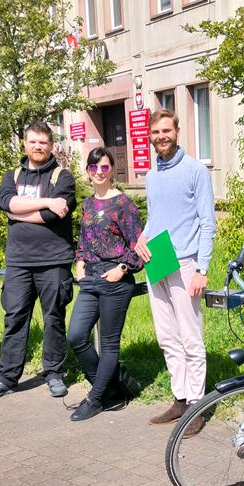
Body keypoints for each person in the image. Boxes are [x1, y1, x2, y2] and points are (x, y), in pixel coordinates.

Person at [0, 122, 77, 401]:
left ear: (51, 146)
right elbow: (4, 202)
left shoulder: (63, 176)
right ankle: (7, 378)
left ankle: (54, 374)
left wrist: (18, 212)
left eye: (43, 143)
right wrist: (46, 202)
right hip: (19, 262)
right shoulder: (12, 175)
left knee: (54, 318)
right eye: (33, 142)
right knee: (15, 318)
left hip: (53, 261)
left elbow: (54, 215)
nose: (38, 147)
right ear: (25, 144)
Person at [133, 109, 216, 432]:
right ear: (150, 136)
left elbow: (208, 223)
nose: (161, 137)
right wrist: (142, 238)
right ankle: (180, 398)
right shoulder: (153, 172)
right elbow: (155, 218)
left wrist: (203, 269)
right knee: (167, 336)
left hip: (185, 261)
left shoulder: (195, 170)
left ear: (177, 132)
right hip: (159, 257)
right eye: (155, 132)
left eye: (166, 131)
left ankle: (197, 406)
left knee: (190, 336)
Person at [66, 148, 144, 421]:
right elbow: (84, 241)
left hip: (115, 279)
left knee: (109, 344)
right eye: (94, 167)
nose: (99, 172)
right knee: (75, 335)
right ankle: (113, 386)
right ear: (88, 171)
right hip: (90, 278)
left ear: (112, 170)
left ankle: (96, 398)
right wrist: (79, 261)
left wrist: (121, 269)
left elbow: (140, 248)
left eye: (104, 167)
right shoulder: (88, 204)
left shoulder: (124, 205)